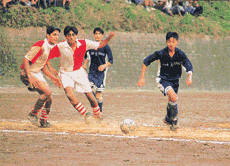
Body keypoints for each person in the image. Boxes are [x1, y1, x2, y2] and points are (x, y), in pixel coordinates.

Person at [48, 26, 115, 123]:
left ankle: (98, 115)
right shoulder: (60, 46)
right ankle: (85, 114)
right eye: (69, 35)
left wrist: (108, 38)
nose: (71, 37)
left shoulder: (84, 43)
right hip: (65, 72)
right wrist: (50, 68)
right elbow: (46, 56)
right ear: (66, 36)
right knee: (69, 95)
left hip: (79, 71)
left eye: (73, 35)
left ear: (76, 36)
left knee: (91, 96)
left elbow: (100, 45)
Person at [137, 32, 193, 131]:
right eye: (169, 41)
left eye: (173, 42)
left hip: (175, 81)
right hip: (163, 79)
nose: (171, 44)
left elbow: (188, 65)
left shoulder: (180, 54)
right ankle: (175, 121)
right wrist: (142, 77)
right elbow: (146, 61)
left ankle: (168, 119)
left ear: (177, 42)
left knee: (172, 100)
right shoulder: (161, 53)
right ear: (166, 42)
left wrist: (189, 77)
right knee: (174, 97)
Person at [20, 26, 62, 128]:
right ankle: (32, 114)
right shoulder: (40, 45)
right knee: (47, 92)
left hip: (36, 72)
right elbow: (26, 60)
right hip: (27, 73)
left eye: (57, 35)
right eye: (54, 35)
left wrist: (53, 78)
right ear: (48, 35)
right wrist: (29, 76)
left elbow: (43, 67)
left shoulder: (49, 47)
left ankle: (43, 122)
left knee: (49, 98)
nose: (56, 37)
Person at [83, 27, 113, 116]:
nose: (97, 35)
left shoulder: (105, 46)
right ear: (93, 35)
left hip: (101, 74)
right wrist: (84, 64)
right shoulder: (90, 45)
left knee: (98, 95)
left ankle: (100, 113)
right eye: (96, 34)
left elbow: (111, 60)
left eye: (99, 34)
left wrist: (103, 66)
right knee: (87, 88)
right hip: (91, 72)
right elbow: (86, 56)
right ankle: (96, 107)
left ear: (102, 35)